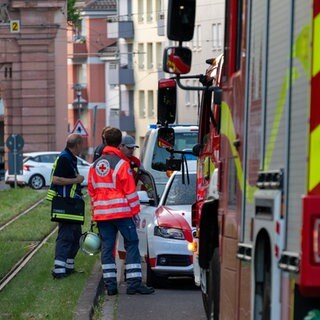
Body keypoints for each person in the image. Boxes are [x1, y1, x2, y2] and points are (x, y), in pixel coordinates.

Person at [88, 127, 154, 296]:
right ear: (119, 144)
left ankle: (110, 286)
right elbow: (131, 192)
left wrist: (95, 212)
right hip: (122, 213)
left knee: (107, 248)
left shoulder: (94, 165)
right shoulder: (122, 164)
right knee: (131, 243)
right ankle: (133, 284)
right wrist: (135, 212)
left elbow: (92, 191)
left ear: (105, 141)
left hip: (102, 214)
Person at [47, 133, 85, 279]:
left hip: (72, 205)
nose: (83, 147)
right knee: (66, 236)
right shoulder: (65, 158)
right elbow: (56, 180)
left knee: (76, 237)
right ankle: (59, 270)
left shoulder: (69, 158)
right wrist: (76, 180)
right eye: (82, 144)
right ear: (77, 145)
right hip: (65, 204)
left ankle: (68, 267)